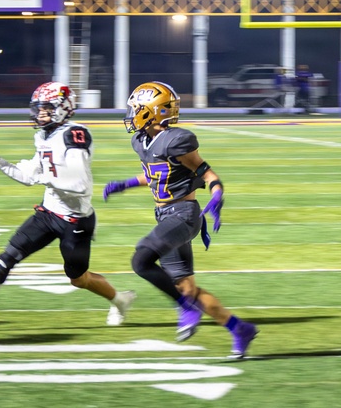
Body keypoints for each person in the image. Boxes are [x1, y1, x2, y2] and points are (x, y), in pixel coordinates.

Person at [0, 81, 136, 327]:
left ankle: (120, 300)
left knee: (78, 279)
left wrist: (47, 178)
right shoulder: (43, 135)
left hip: (75, 220)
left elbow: (80, 186)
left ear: (63, 107)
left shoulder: (74, 134)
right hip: (48, 213)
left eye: (46, 108)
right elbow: (27, 178)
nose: (39, 113)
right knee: (7, 258)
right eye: (38, 108)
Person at [103, 81, 258, 359]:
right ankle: (240, 329)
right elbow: (156, 175)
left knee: (141, 260)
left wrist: (217, 194)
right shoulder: (141, 140)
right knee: (187, 289)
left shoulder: (178, 141)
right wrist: (125, 184)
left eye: (136, 109)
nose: (131, 114)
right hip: (165, 216)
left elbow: (207, 174)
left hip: (184, 216)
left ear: (153, 111)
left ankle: (185, 308)